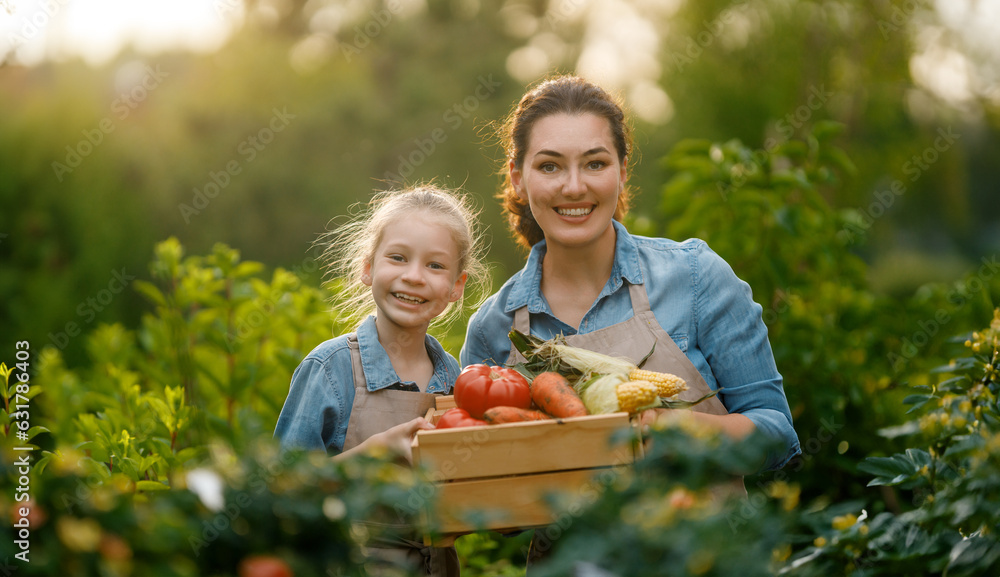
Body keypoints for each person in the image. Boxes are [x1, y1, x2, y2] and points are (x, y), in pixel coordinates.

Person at [461, 73, 800, 491]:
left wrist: (677, 429)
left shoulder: (695, 276)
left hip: (709, 552)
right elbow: (490, 489)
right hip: (566, 557)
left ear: (622, 171)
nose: (574, 186)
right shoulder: (493, 328)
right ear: (517, 176)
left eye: (595, 163)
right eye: (550, 165)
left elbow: (777, 436)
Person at [275, 184, 487, 576]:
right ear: (368, 267)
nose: (414, 277)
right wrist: (374, 452)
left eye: (435, 266)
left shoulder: (456, 382)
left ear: (457, 287)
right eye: (398, 258)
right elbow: (282, 496)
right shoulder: (331, 369)